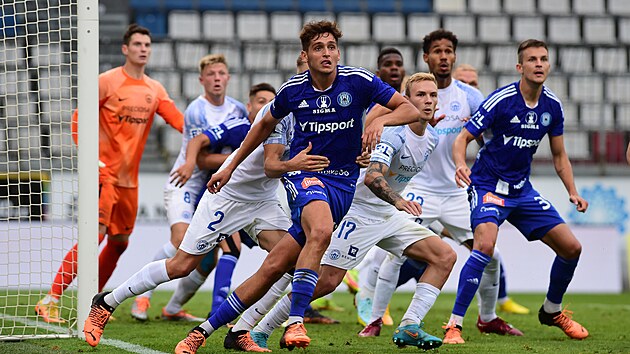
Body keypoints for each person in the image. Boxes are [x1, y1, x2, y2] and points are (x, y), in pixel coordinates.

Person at [170, 20, 420, 353]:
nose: (327, 53)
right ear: (306, 55)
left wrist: (377, 122)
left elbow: (410, 109)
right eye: (319, 48)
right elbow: (260, 129)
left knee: (273, 267)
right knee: (320, 229)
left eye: (331, 46)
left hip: (343, 183)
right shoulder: (293, 90)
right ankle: (296, 320)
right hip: (305, 175)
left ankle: (203, 333)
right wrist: (229, 167)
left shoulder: (357, 81)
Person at [251, 73, 455, 351]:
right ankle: (262, 329)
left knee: (444, 256)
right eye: (420, 95)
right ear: (406, 99)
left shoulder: (431, 137)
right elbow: (373, 177)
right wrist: (398, 200)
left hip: (389, 215)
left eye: (432, 95)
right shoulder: (394, 134)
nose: (428, 100)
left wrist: (395, 205)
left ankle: (410, 324)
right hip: (358, 213)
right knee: (325, 283)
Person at [35, 24, 184, 323]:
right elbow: (79, 118)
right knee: (95, 237)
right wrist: (91, 161)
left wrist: (207, 136)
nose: (143, 48)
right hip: (104, 176)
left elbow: (180, 121)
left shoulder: (154, 90)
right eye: (138, 43)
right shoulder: (107, 82)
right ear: (125, 49)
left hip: (130, 181)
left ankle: (93, 301)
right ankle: (49, 299)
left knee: (120, 242)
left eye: (147, 44)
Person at [445, 38, 589, 343]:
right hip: (487, 185)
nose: (539, 64)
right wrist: (461, 163)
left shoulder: (552, 105)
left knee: (571, 248)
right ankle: (454, 325)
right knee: (483, 246)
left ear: (549, 65)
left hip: (522, 191)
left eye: (544, 59)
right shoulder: (502, 100)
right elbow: (463, 138)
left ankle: (552, 310)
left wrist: (572, 192)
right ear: (519, 67)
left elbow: (560, 155)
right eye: (532, 59)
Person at [126, 58, 257, 322]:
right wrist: (243, 158)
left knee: (207, 258)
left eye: (221, 73)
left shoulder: (237, 110)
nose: (217, 78)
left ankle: (173, 309)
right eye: (211, 74)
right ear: (202, 80)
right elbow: (201, 159)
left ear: (228, 77)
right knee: (180, 242)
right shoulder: (197, 110)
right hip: (186, 183)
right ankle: (143, 297)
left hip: (215, 187)